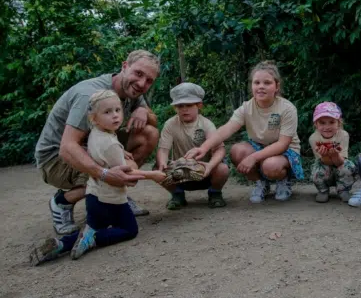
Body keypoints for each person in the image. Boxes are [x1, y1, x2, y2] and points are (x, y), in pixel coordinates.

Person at [29, 90, 166, 266]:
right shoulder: (110, 144)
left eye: (117, 110)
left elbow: (102, 150)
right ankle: (94, 240)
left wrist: (120, 150)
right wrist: (153, 175)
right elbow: (126, 174)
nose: (115, 116)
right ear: (94, 118)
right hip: (111, 200)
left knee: (92, 227)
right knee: (129, 229)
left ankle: (61, 245)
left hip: (93, 196)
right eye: (107, 112)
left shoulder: (97, 132)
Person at [34, 50, 160, 235]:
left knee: (148, 134)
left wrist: (143, 110)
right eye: (138, 74)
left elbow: (153, 121)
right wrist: (105, 174)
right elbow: (67, 147)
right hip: (54, 160)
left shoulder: (133, 91)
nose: (142, 84)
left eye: (149, 80)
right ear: (124, 66)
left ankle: (115, 194)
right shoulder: (91, 96)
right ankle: (63, 201)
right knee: (111, 169)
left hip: (93, 146)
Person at [185, 60, 304, 203]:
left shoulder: (287, 108)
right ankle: (261, 183)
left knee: (271, 166)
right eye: (256, 83)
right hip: (259, 146)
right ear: (251, 86)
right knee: (237, 151)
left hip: (285, 151)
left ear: (276, 86)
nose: (261, 87)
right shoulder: (246, 107)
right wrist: (203, 148)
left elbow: (283, 144)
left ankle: (284, 180)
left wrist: (253, 158)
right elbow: (226, 129)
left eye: (267, 83)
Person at [155, 82, 229, 210]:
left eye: (189, 105)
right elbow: (163, 149)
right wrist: (163, 164)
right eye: (180, 106)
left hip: (204, 172)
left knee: (222, 168)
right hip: (179, 173)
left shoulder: (206, 124)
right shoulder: (170, 124)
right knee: (157, 168)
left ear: (199, 105)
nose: (184, 109)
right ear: (175, 108)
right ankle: (177, 195)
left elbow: (220, 150)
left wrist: (210, 166)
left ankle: (215, 193)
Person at [309, 102, 357, 203]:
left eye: (331, 122)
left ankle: (343, 189)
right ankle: (323, 191)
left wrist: (334, 154)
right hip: (324, 164)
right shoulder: (314, 138)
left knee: (348, 166)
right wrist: (324, 155)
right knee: (317, 170)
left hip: (339, 162)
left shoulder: (343, 135)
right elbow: (324, 162)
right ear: (316, 124)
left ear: (338, 123)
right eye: (322, 123)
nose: (327, 127)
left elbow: (341, 162)